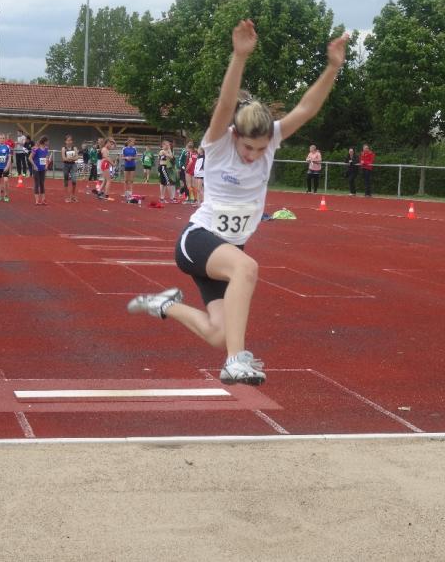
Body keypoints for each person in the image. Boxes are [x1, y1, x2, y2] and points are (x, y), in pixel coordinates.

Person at [127, 19, 348, 385]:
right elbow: (227, 102)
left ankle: (164, 305)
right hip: (198, 241)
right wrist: (239, 56)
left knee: (219, 333)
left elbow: (307, 108)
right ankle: (235, 361)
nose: (253, 155)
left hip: (226, 254)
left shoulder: (271, 139)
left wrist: (332, 67)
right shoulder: (218, 143)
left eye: (260, 149)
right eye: (248, 147)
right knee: (247, 268)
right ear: (235, 135)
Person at [29, 135, 52, 205]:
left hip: (43, 169)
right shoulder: (36, 149)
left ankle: (43, 200)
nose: (48, 142)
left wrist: (46, 165)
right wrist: (34, 166)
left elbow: (46, 158)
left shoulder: (46, 149)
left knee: (42, 184)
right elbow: (30, 158)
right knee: (37, 184)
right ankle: (37, 200)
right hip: (36, 169)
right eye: (47, 141)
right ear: (44, 141)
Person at [0, 133, 12, 202]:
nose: (2, 139)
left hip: (5, 167)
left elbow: (9, 158)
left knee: (6, 181)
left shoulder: (7, 147)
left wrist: (7, 166)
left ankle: (6, 195)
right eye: (1, 138)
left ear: (5, 139)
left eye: (3, 138)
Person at [61, 134, 79, 202]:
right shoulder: (63, 148)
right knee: (66, 180)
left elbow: (77, 157)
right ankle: (66, 197)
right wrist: (70, 159)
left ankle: (73, 196)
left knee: (74, 180)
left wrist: (71, 159)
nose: (69, 142)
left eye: (70, 140)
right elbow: (63, 158)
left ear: (72, 141)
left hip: (73, 165)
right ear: (65, 141)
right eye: (68, 140)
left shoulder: (74, 148)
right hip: (66, 165)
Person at [121, 137, 137, 202]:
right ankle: (125, 192)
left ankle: (130, 192)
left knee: (131, 180)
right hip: (126, 165)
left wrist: (131, 158)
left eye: (134, 142)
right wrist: (126, 158)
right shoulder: (124, 149)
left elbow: (136, 157)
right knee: (126, 180)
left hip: (132, 165)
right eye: (133, 142)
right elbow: (122, 157)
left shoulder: (134, 149)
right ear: (129, 142)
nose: (133, 143)